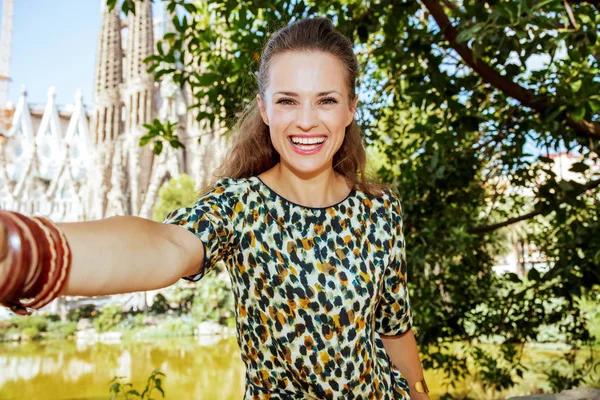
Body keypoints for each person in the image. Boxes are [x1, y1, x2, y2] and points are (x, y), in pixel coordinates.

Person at [0, 18, 429, 400]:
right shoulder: (241, 205)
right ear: (263, 109)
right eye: (287, 100)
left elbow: (395, 327)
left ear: (351, 108)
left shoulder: (379, 210)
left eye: (326, 100)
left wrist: (421, 395)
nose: (306, 120)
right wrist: (26, 251)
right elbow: (165, 246)